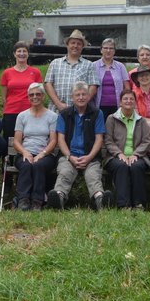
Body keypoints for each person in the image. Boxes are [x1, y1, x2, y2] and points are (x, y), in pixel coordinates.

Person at [47, 81, 110, 211]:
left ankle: (100, 200)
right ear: (72, 97)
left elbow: (99, 139)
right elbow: (61, 139)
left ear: (88, 96)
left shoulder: (97, 113)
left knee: (93, 176)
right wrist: (70, 157)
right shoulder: (64, 114)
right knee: (65, 173)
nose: (81, 97)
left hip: (91, 157)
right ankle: (58, 198)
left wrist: (89, 157)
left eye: (83, 94)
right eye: (77, 95)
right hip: (69, 156)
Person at [13, 82, 58, 211]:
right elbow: (16, 141)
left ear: (43, 96)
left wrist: (42, 154)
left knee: (38, 165)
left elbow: (53, 141)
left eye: (38, 94)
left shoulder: (52, 116)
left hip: (45, 154)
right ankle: (23, 200)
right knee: (26, 165)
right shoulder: (22, 116)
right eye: (31, 95)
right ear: (28, 97)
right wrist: (25, 153)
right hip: (24, 152)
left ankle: (37, 201)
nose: (35, 97)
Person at [103, 89, 150, 210]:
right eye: (125, 99)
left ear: (135, 102)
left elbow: (146, 141)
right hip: (115, 157)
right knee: (121, 166)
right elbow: (108, 140)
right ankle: (123, 204)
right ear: (120, 102)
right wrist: (119, 154)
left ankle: (139, 204)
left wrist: (136, 154)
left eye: (131, 99)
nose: (128, 101)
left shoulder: (141, 121)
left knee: (136, 166)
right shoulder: (111, 119)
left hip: (138, 156)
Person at [44, 29, 99, 113]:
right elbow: (48, 84)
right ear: (67, 45)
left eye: (79, 44)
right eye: (73, 43)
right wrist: (58, 104)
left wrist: (81, 104)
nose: (75, 46)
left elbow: (93, 86)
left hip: (80, 111)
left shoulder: (89, 65)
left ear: (82, 47)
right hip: (57, 110)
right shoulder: (55, 63)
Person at [0, 41, 43, 142]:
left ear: (28, 54)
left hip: (30, 111)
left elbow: (40, 94)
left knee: (29, 140)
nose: (22, 54)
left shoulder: (35, 72)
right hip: (11, 111)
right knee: (10, 141)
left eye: (24, 51)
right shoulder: (7, 73)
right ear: (14, 54)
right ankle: (9, 158)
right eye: (19, 51)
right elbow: (4, 97)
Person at [92, 38, 131, 120]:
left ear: (114, 51)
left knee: (116, 130)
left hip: (117, 106)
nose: (108, 50)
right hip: (98, 106)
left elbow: (127, 88)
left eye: (111, 48)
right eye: (105, 48)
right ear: (101, 50)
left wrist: (126, 103)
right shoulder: (93, 66)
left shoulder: (121, 67)